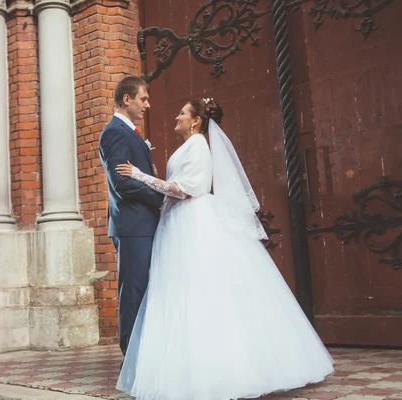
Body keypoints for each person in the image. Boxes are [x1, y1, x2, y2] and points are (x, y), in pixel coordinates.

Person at [114, 98, 334, 400]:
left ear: (195, 121)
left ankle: (222, 368)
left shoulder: (200, 146)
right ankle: (184, 365)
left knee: (203, 290)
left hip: (193, 223)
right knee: (181, 291)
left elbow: (186, 189)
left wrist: (140, 175)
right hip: (177, 223)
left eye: (182, 113)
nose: (176, 117)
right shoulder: (189, 146)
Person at [98, 76, 165, 358]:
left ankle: (147, 354)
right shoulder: (114, 132)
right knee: (133, 291)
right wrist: (161, 195)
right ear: (127, 99)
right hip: (133, 225)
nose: (147, 105)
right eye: (143, 99)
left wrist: (151, 179)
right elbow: (121, 183)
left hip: (144, 224)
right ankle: (132, 358)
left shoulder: (131, 132)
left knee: (147, 288)